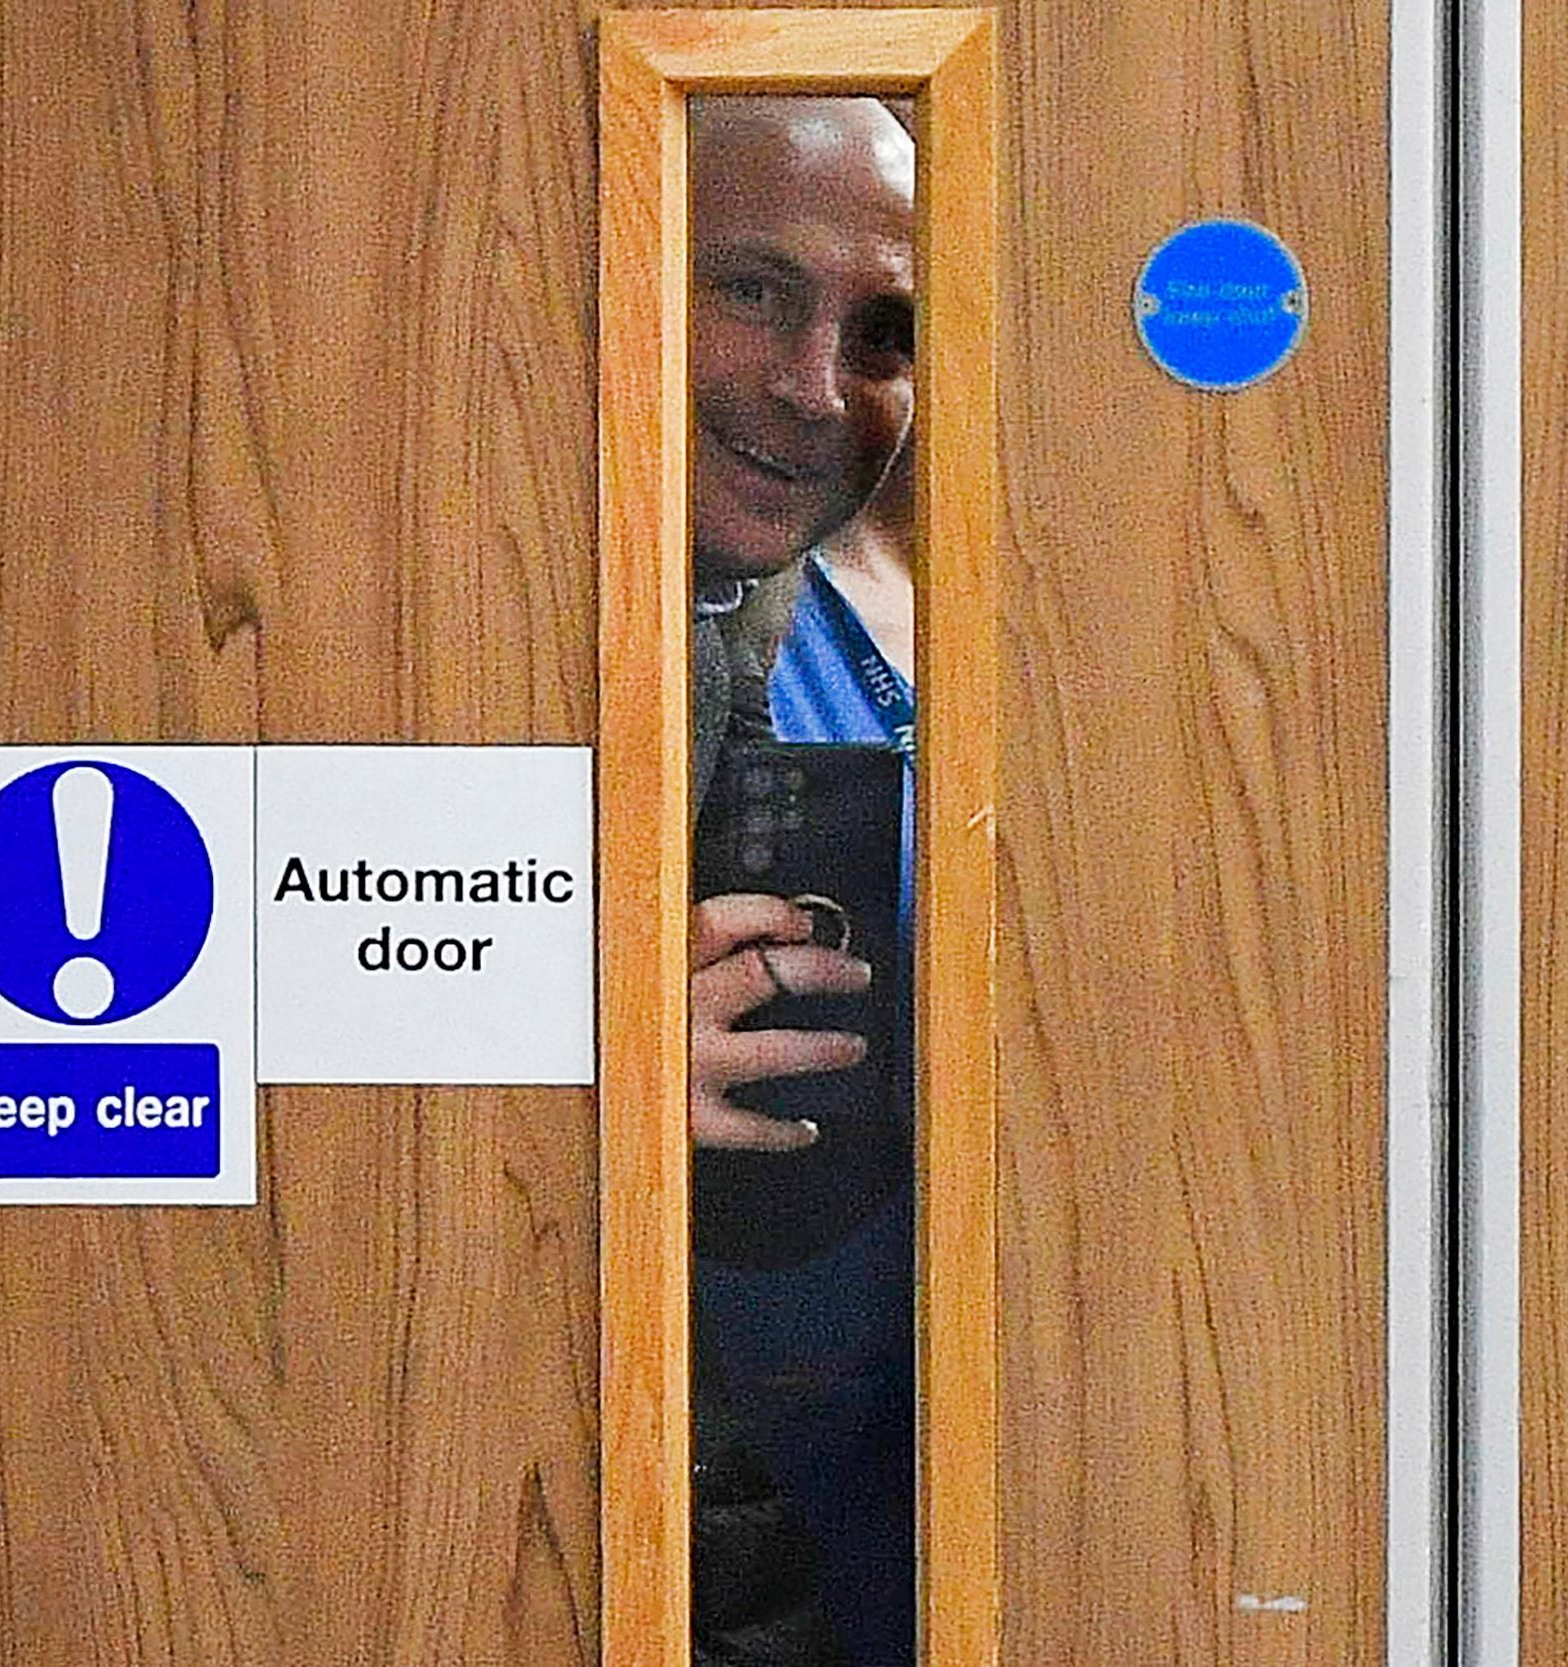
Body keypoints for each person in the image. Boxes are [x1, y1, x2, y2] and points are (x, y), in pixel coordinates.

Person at [680, 94, 917, 1667]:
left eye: (885, 329)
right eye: (753, 285)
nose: (813, 387)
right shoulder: (418, 626)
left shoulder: (860, 660)